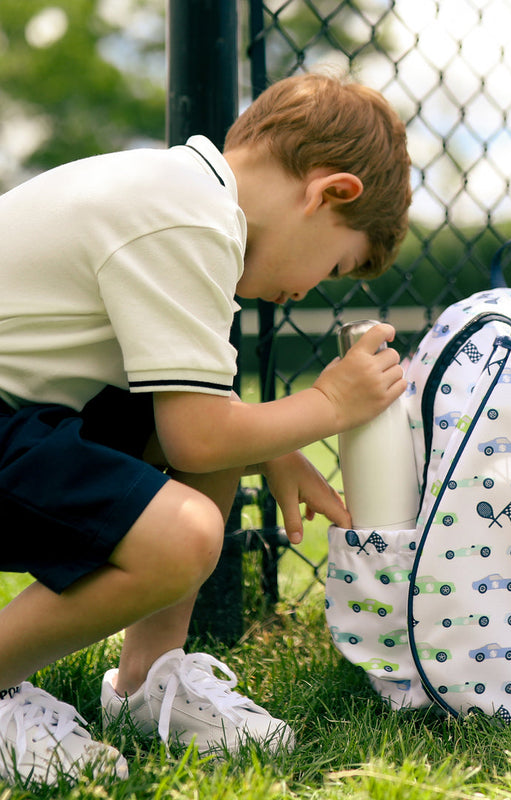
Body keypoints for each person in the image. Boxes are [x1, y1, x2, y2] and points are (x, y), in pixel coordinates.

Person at [0, 71, 412, 786]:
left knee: (220, 424)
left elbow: (198, 416)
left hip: (19, 416)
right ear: (330, 193)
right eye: (334, 264)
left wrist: (273, 443)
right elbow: (196, 439)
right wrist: (329, 406)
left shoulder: (183, 194)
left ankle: (147, 683)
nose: (308, 288)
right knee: (185, 531)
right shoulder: (190, 219)